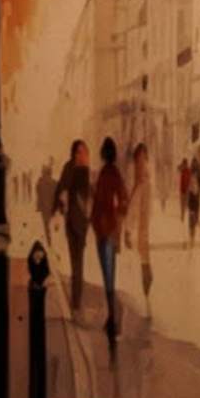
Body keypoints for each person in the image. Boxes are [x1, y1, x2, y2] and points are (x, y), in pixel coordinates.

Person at [91, 135, 128, 330]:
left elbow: (120, 199)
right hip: (107, 229)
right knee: (108, 273)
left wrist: (114, 221)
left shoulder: (107, 174)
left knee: (108, 274)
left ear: (104, 154)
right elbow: (122, 200)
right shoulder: (112, 173)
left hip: (104, 230)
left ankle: (113, 316)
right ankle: (112, 314)